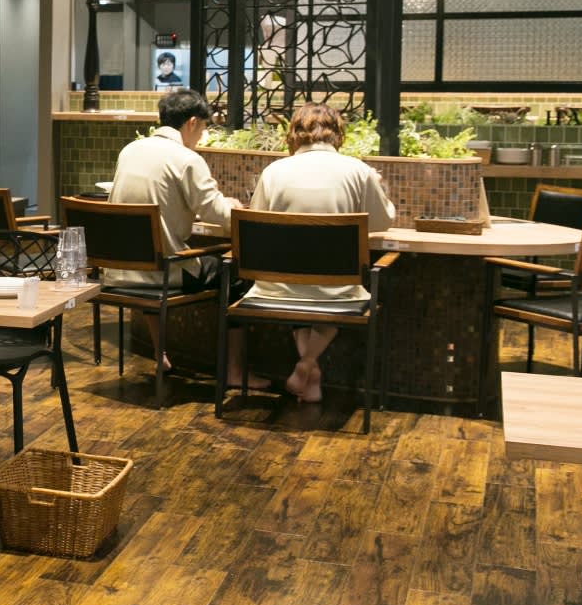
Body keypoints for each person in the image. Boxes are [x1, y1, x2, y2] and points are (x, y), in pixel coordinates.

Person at [243, 102, 396, 404]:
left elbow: (256, 223)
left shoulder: (274, 172)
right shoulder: (358, 171)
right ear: (337, 133)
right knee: (332, 285)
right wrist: (381, 188)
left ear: (294, 133)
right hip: (337, 290)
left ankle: (308, 370)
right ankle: (306, 367)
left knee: (302, 283)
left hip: (279, 288)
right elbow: (382, 222)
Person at [108, 87, 254, 389]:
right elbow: (216, 213)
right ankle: (234, 371)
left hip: (121, 270)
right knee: (238, 273)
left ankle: (160, 353)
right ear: (192, 122)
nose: (201, 136)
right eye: (203, 128)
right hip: (165, 273)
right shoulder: (186, 159)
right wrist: (234, 206)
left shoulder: (130, 150)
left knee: (155, 255)